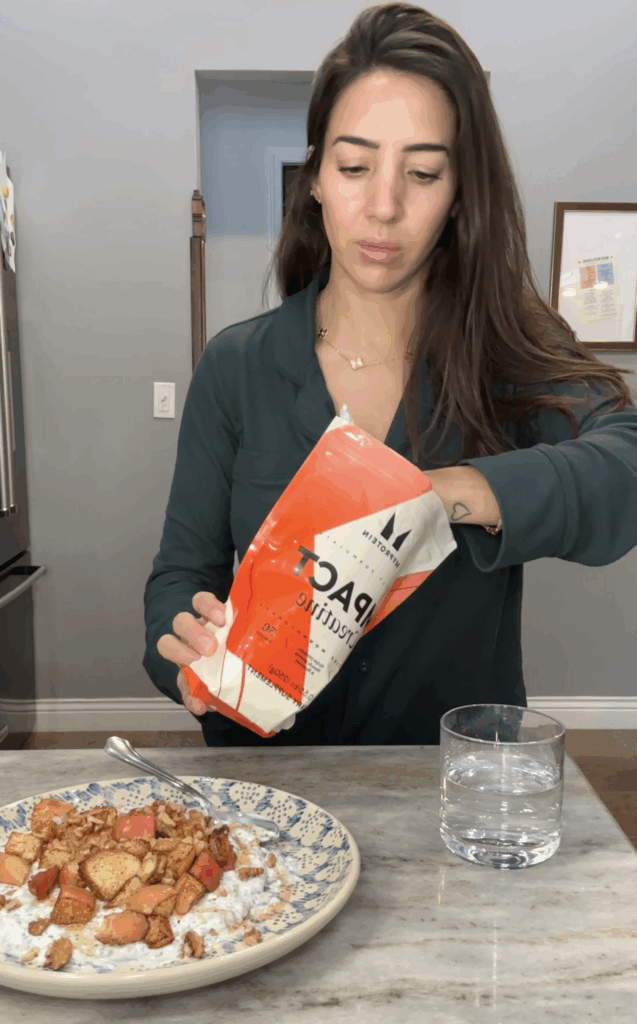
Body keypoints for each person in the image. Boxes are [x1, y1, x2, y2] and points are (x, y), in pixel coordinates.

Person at [143, 2, 637, 746]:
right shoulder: (236, 367)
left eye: (423, 172)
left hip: (448, 793)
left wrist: (456, 491)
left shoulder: (505, 352)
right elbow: (180, 576)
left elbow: (624, 465)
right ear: (313, 179)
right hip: (270, 797)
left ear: (459, 191)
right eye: (353, 166)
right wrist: (181, 651)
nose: (383, 206)